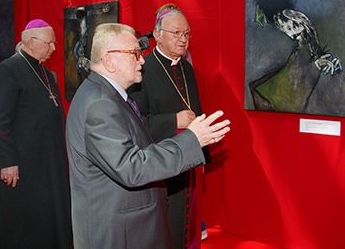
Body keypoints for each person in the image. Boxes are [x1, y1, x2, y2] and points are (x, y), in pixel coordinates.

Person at [66, 23, 230, 249]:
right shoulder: (100, 104)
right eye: (135, 54)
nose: (142, 60)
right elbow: (132, 167)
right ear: (110, 60)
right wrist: (192, 140)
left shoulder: (106, 95)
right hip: (118, 232)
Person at [0, 19, 73, 249]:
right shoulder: (7, 70)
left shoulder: (47, 73)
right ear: (29, 41)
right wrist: (7, 161)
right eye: (50, 43)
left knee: (50, 215)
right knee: (25, 222)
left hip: (49, 159)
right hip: (22, 163)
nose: (54, 48)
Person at [129, 3, 208, 248]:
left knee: (187, 223)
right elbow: (136, 123)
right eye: (176, 33)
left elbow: (197, 111)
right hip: (160, 162)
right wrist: (174, 120)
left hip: (189, 160)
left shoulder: (186, 68)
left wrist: (203, 155)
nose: (183, 39)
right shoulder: (143, 69)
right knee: (166, 225)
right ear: (157, 35)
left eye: (186, 34)